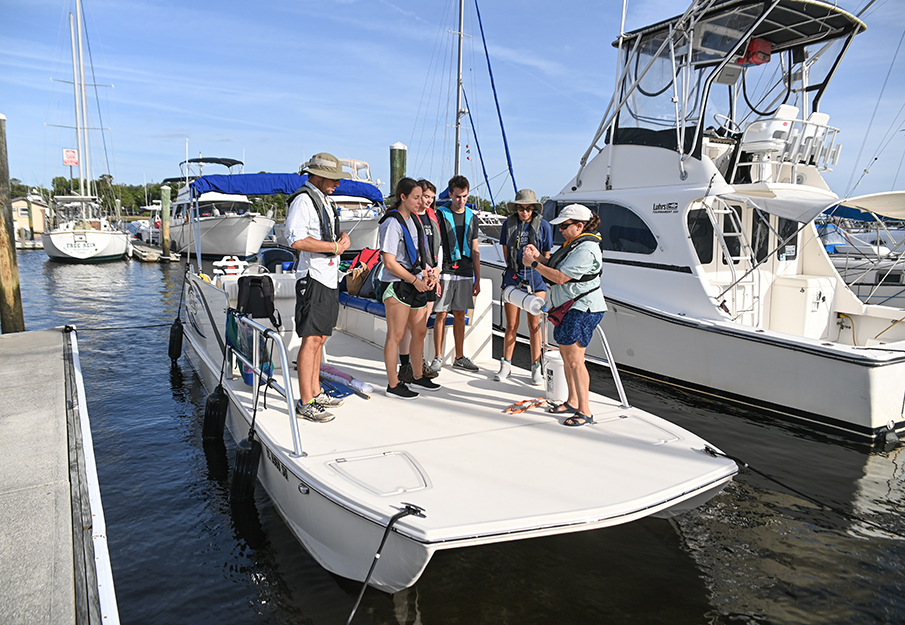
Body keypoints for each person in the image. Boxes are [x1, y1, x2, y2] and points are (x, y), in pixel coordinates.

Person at [522, 204, 606, 426]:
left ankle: (585, 410)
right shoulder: (574, 244)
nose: (560, 231)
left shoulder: (587, 249)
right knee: (568, 358)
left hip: (582, 308)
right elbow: (556, 267)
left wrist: (534, 263)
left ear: (580, 226)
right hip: (570, 308)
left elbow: (560, 277)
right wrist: (538, 256)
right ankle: (572, 401)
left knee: (576, 360)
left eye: (565, 226)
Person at [284, 152, 352, 422]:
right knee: (311, 340)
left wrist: (341, 239)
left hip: (328, 277)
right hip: (313, 277)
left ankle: (314, 391)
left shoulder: (324, 199)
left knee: (320, 338)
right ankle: (305, 401)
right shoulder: (303, 200)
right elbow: (295, 239)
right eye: (334, 179)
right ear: (319, 176)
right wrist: (335, 247)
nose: (337, 184)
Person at [378, 178, 440, 399]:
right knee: (395, 334)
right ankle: (393, 384)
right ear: (403, 197)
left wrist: (428, 274)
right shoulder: (392, 223)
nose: (420, 202)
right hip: (397, 284)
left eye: (421, 197)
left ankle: (416, 374)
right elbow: (389, 262)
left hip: (415, 281)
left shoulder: (413, 220)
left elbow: (419, 255)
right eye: (415, 197)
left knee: (420, 331)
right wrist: (415, 281)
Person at [496, 189, 553, 385]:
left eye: (529, 209)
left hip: (536, 279)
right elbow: (506, 254)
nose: (525, 212)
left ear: (534, 209)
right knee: (511, 324)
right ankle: (506, 365)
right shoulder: (507, 225)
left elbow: (546, 257)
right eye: (521, 208)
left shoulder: (544, 226)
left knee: (534, 325)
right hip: (514, 277)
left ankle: (536, 367)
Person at [430, 175, 481, 372]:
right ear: (450, 194)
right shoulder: (440, 215)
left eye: (465, 197)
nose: (461, 200)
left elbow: (475, 250)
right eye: (458, 196)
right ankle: (438, 357)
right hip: (446, 271)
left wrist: (477, 279)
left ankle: (459, 356)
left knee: (460, 314)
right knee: (441, 314)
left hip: (466, 271)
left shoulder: (472, 217)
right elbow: (437, 246)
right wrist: (436, 274)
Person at [397, 179, 441, 383]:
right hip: (415, 277)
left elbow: (437, 250)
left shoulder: (432, 218)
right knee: (410, 325)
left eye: (432, 198)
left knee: (422, 324)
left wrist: (436, 274)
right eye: (425, 196)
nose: (428, 201)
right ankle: (406, 365)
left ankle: (418, 363)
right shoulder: (409, 218)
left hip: (431, 276)